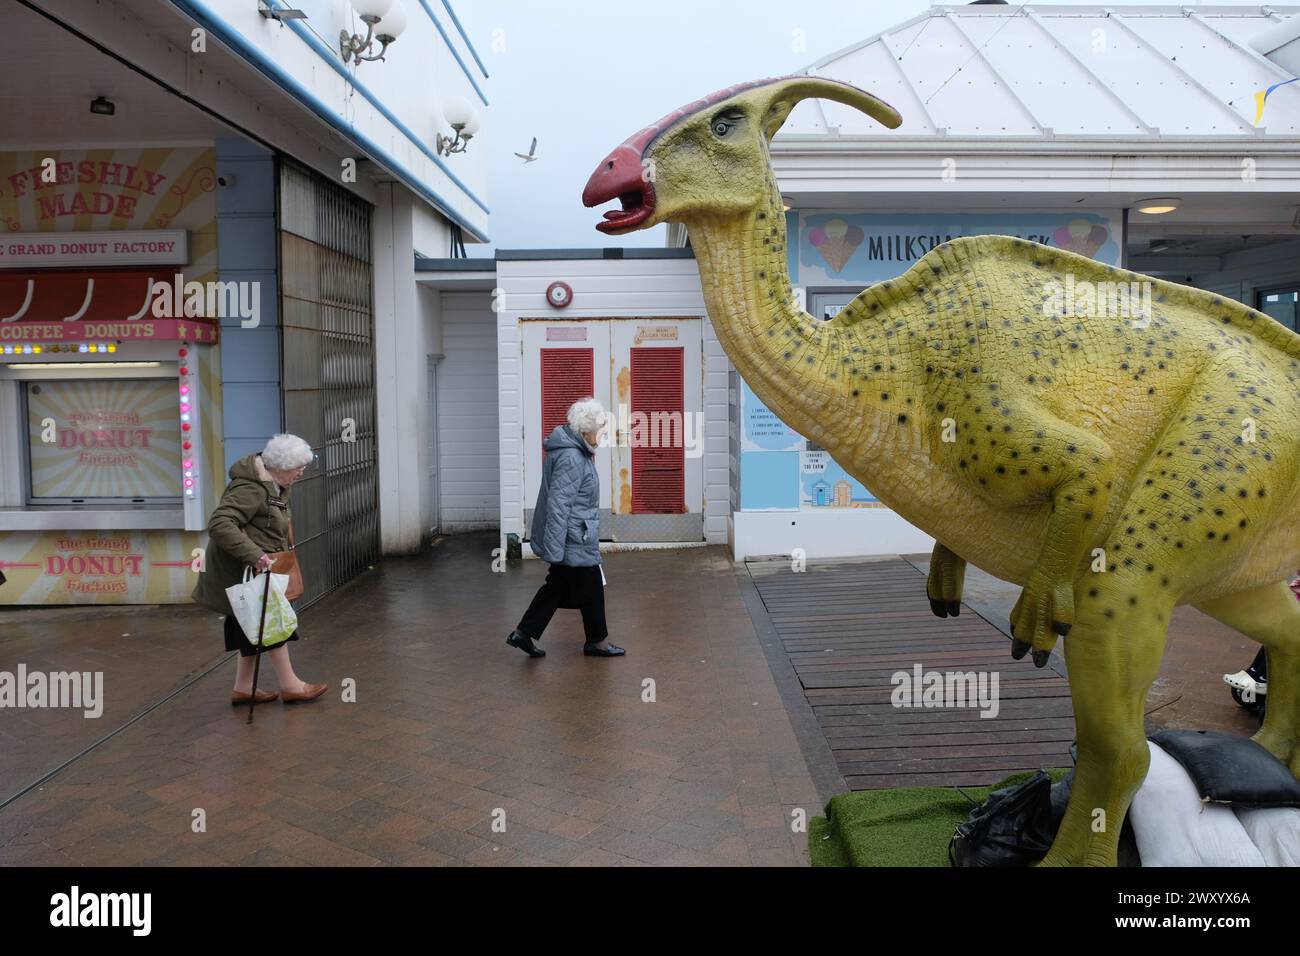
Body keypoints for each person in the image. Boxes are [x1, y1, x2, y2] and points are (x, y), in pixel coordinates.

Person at [192, 434, 328, 703]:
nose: (301, 473)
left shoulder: (273, 484)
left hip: (255, 573)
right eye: (297, 468)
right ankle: (291, 686)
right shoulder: (251, 489)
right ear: (278, 466)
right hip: (244, 572)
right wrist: (255, 555)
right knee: (272, 623)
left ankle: (243, 689)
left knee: (251, 626)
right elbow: (220, 524)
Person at [507, 397, 624, 658]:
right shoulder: (572, 457)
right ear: (585, 430)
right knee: (587, 583)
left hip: (575, 534)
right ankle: (597, 642)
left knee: (559, 586)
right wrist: (555, 549)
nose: (603, 433)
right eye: (600, 428)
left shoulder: (577, 451)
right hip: (573, 537)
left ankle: (524, 632)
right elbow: (558, 505)